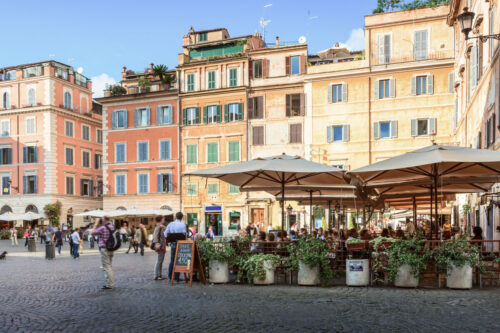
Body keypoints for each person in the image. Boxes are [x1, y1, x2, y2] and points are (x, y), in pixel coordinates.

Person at [92, 217, 115, 290]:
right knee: (109, 266)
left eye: (102, 220)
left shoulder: (102, 228)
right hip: (111, 248)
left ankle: (110, 285)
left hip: (105, 249)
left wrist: (96, 224)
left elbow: (92, 232)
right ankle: (110, 283)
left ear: (104, 220)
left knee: (107, 267)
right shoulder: (112, 227)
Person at [164, 212, 187, 282]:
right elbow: (184, 235)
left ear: (175, 217)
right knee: (178, 260)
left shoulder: (170, 224)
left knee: (172, 260)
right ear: (181, 218)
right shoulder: (182, 225)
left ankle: (170, 276)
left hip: (173, 243)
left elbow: (165, 234)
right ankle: (176, 277)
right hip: (180, 244)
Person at [152, 216, 167, 280]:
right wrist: (156, 244)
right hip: (160, 246)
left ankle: (159, 275)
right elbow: (155, 236)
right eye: (163, 218)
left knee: (160, 261)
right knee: (159, 261)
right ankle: (156, 275)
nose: (164, 219)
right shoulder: (158, 227)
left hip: (162, 245)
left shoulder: (161, 226)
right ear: (161, 219)